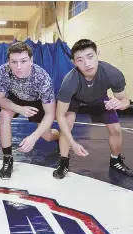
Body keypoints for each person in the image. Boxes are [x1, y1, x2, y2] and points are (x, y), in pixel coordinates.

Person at [54, 39, 132, 179]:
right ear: (74, 62)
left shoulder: (112, 73)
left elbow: (125, 100)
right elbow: (60, 115)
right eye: (80, 60)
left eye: (90, 57)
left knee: (116, 128)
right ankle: (64, 162)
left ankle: (115, 160)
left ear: (98, 54)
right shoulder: (70, 81)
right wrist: (73, 144)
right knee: (67, 122)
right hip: (75, 98)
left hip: (98, 97)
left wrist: (120, 104)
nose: (87, 64)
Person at [0, 42, 59, 180]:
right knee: (4, 115)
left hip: (37, 101)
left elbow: (50, 113)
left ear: (31, 60)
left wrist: (34, 137)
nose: (18, 67)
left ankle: (59, 137)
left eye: (23, 61)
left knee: (47, 136)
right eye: (14, 62)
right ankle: (7, 159)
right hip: (16, 97)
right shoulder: (3, 71)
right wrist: (19, 109)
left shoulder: (42, 78)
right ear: (8, 62)